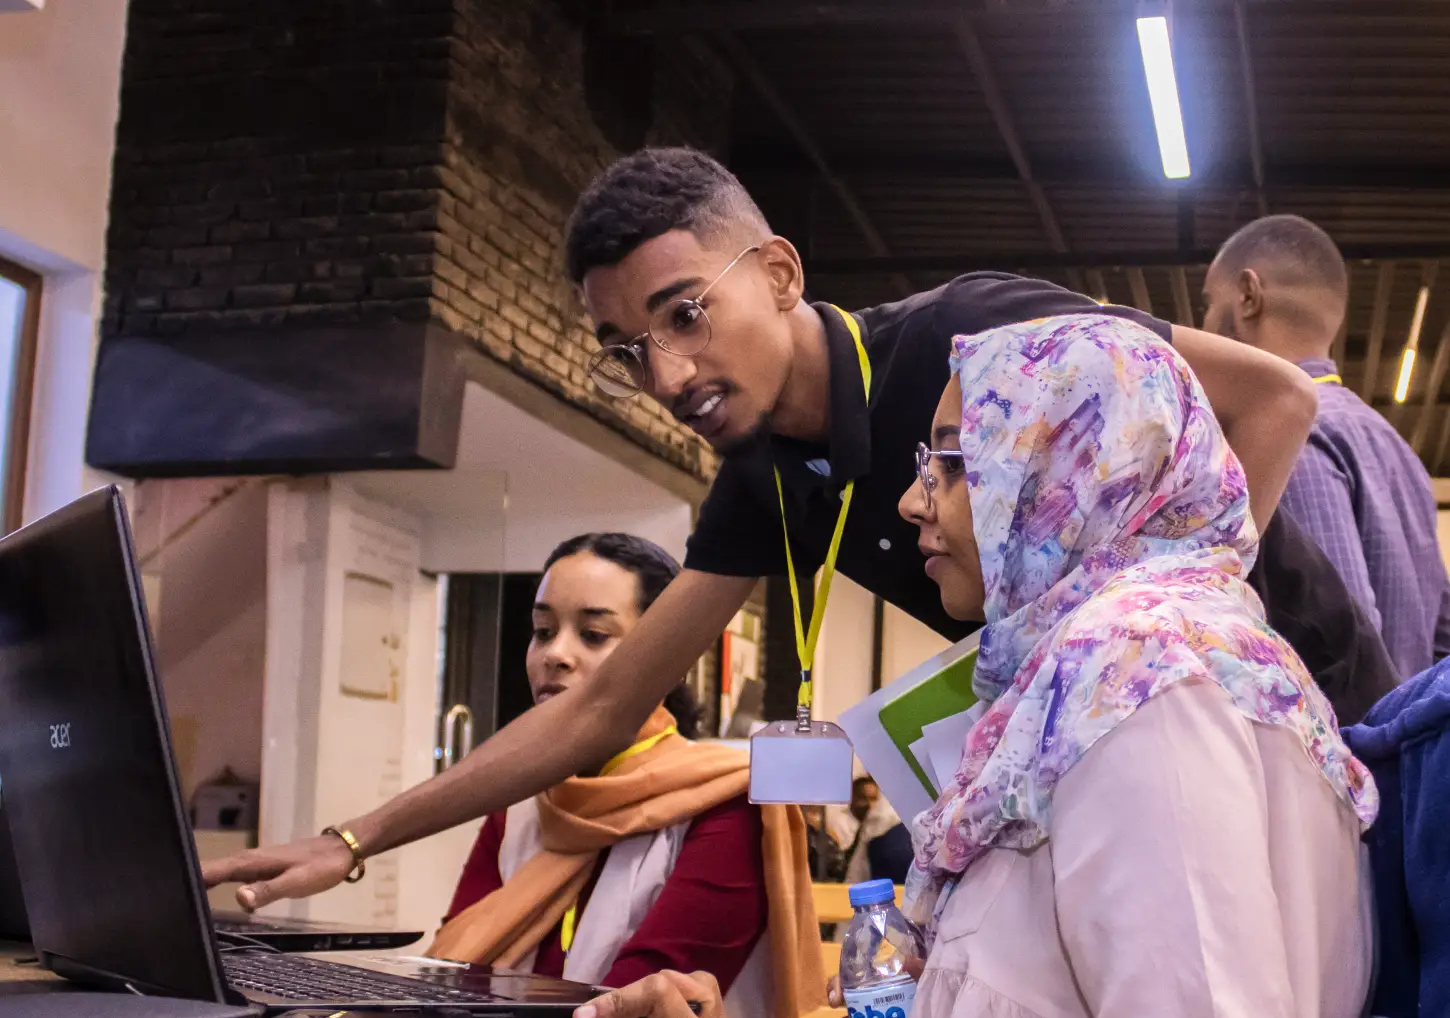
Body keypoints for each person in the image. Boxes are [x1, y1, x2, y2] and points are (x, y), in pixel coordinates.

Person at [204, 146, 1386, 928]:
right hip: (1129, 751)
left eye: (685, 315)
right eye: (627, 351)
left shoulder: (971, 332)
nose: (667, 375)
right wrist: (353, 838)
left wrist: (1170, 616)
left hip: (1303, 704)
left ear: (775, 273)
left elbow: (1274, 399)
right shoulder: (763, 481)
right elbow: (600, 706)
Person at [581, 314, 1412, 1018]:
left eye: (952, 461)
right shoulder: (1105, 673)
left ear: (1076, 462)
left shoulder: (1144, 678)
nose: (910, 501)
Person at [427, 531, 826, 1018]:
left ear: (664, 654)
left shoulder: (727, 801)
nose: (554, 655)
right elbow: (455, 980)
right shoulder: (520, 804)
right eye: (542, 630)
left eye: (594, 634)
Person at [1201, 213, 1450, 677]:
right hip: (1402, 718)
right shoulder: (1396, 447)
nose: (1201, 323)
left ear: (1247, 295)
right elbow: (1446, 643)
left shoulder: (1285, 434)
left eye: (1207, 303)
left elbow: (1336, 648)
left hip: (1344, 724)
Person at [827, 776, 909, 883]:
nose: (870, 804)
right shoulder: (876, 828)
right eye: (863, 799)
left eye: (873, 799)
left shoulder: (885, 822)